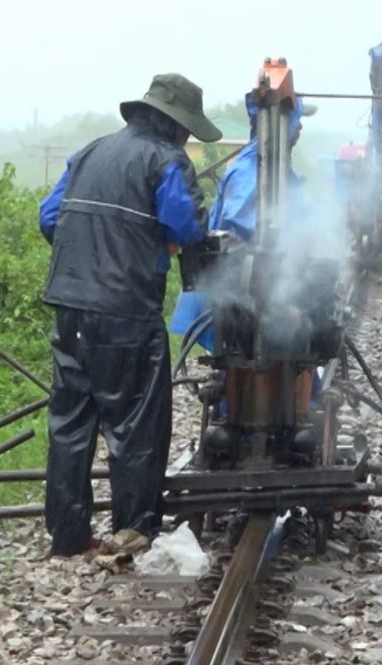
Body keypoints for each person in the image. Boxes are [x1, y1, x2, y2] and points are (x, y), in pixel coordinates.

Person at [37, 73, 221, 557]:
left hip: (70, 305)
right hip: (125, 310)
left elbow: (49, 217)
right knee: (136, 418)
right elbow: (185, 225)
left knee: (72, 420)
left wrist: (91, 256)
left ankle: (68, 534)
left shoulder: (91, 152)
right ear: (176, 126)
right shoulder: (166, 160)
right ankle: (134, 529)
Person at [168, 93, 315, 349]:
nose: (301, 127)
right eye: (298, 120)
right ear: (284, 123)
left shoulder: (277, 167)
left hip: (252, 291)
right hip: (234, 295)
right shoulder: (252, 170)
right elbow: (241, 231)